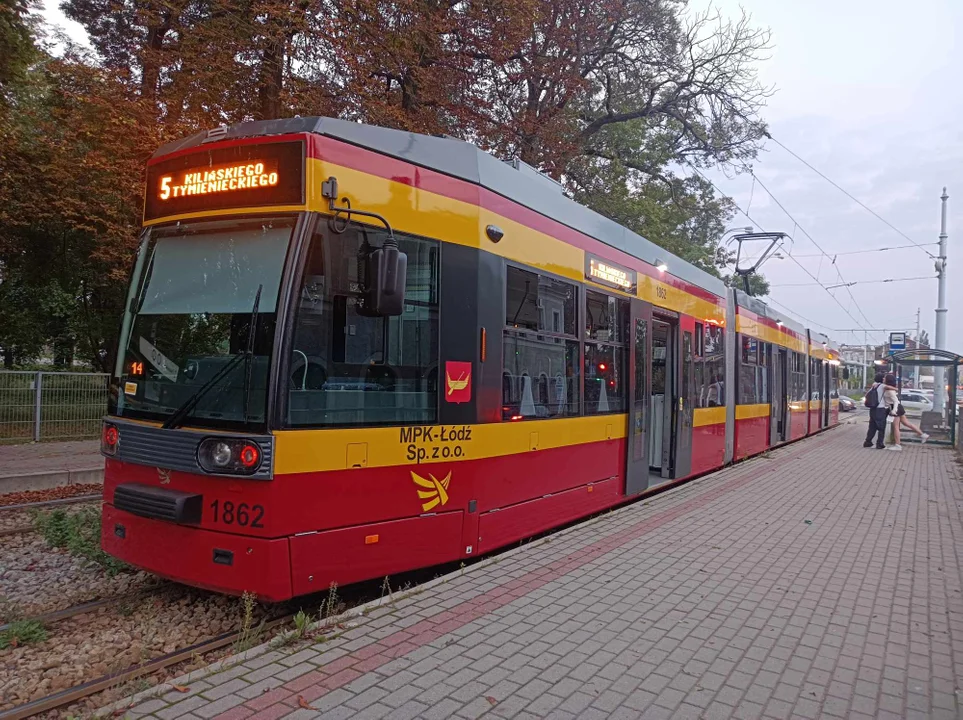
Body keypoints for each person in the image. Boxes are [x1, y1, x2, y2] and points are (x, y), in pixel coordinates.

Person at [883, 373, 929, 449]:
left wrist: (894, 411)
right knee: (907, 423)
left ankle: (898, 445)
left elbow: (896, 401)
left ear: (888, 380)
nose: (883, 379)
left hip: (895, 408)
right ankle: (923, 435)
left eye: (885, 378)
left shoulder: (890, 391)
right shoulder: (889, 388)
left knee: (896, 427)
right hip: (898, 407)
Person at [863, 372, 888, 449]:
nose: (885, 379)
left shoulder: (874, 386)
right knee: (881, 427)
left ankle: (868, 441)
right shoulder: (882, 386)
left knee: (872, 426)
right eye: (884, 377)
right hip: (880, 409)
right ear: (882, 379)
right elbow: (895, 388)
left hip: (873, 409)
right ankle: (879, 443)